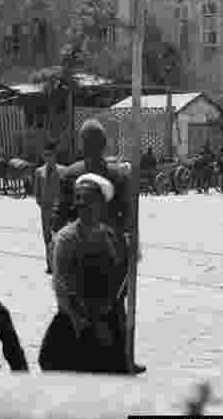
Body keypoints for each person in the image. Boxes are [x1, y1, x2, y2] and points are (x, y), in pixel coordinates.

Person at [52, 119, 145, 375]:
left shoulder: (70, 173)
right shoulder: (117, 175)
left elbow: (58, 215)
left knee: (74, 302)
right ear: (105, 145)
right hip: (110, 251)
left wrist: (62, 240)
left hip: (78, 248)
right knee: (115, 307)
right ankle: (122, 358)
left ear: (81, 145)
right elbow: (128, 216)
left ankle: (77, 356)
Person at [39, 173, 126, 374]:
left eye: (89, 201)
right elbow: (61, 285)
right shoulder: (66, 239)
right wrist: (80, 320)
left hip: (105, 319)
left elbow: (118, 282)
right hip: (75, 320)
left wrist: (129, 255)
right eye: (79, 199)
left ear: (101, 205)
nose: (82, 205)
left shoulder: (110, 236)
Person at [33, 141, 61, 274]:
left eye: (50, 154)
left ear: (55, 155)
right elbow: (36, 193)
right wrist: (42, 205)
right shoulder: (39, 172)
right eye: (45, 155)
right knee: (47, 238)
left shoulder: (62, 171)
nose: (47, 157)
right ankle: (49, 265)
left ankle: (58, 266)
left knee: (58, 238)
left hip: (58, 211)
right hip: (45, 211)